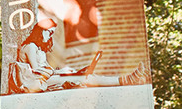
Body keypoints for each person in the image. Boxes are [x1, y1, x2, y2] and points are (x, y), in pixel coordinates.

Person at [8, 17, 149, 93]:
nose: (50, 36)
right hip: (35, 82)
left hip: (45, 79)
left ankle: (126, 79)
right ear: (40, 31)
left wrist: (61, 72)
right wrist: (62, 72)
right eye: (49, 32)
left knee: (84, 77)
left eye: (52, 33)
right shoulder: (30, 47)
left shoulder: (39, 48)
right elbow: (37, 72)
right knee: (83, 79)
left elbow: (44, 71)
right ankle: (126, 80)